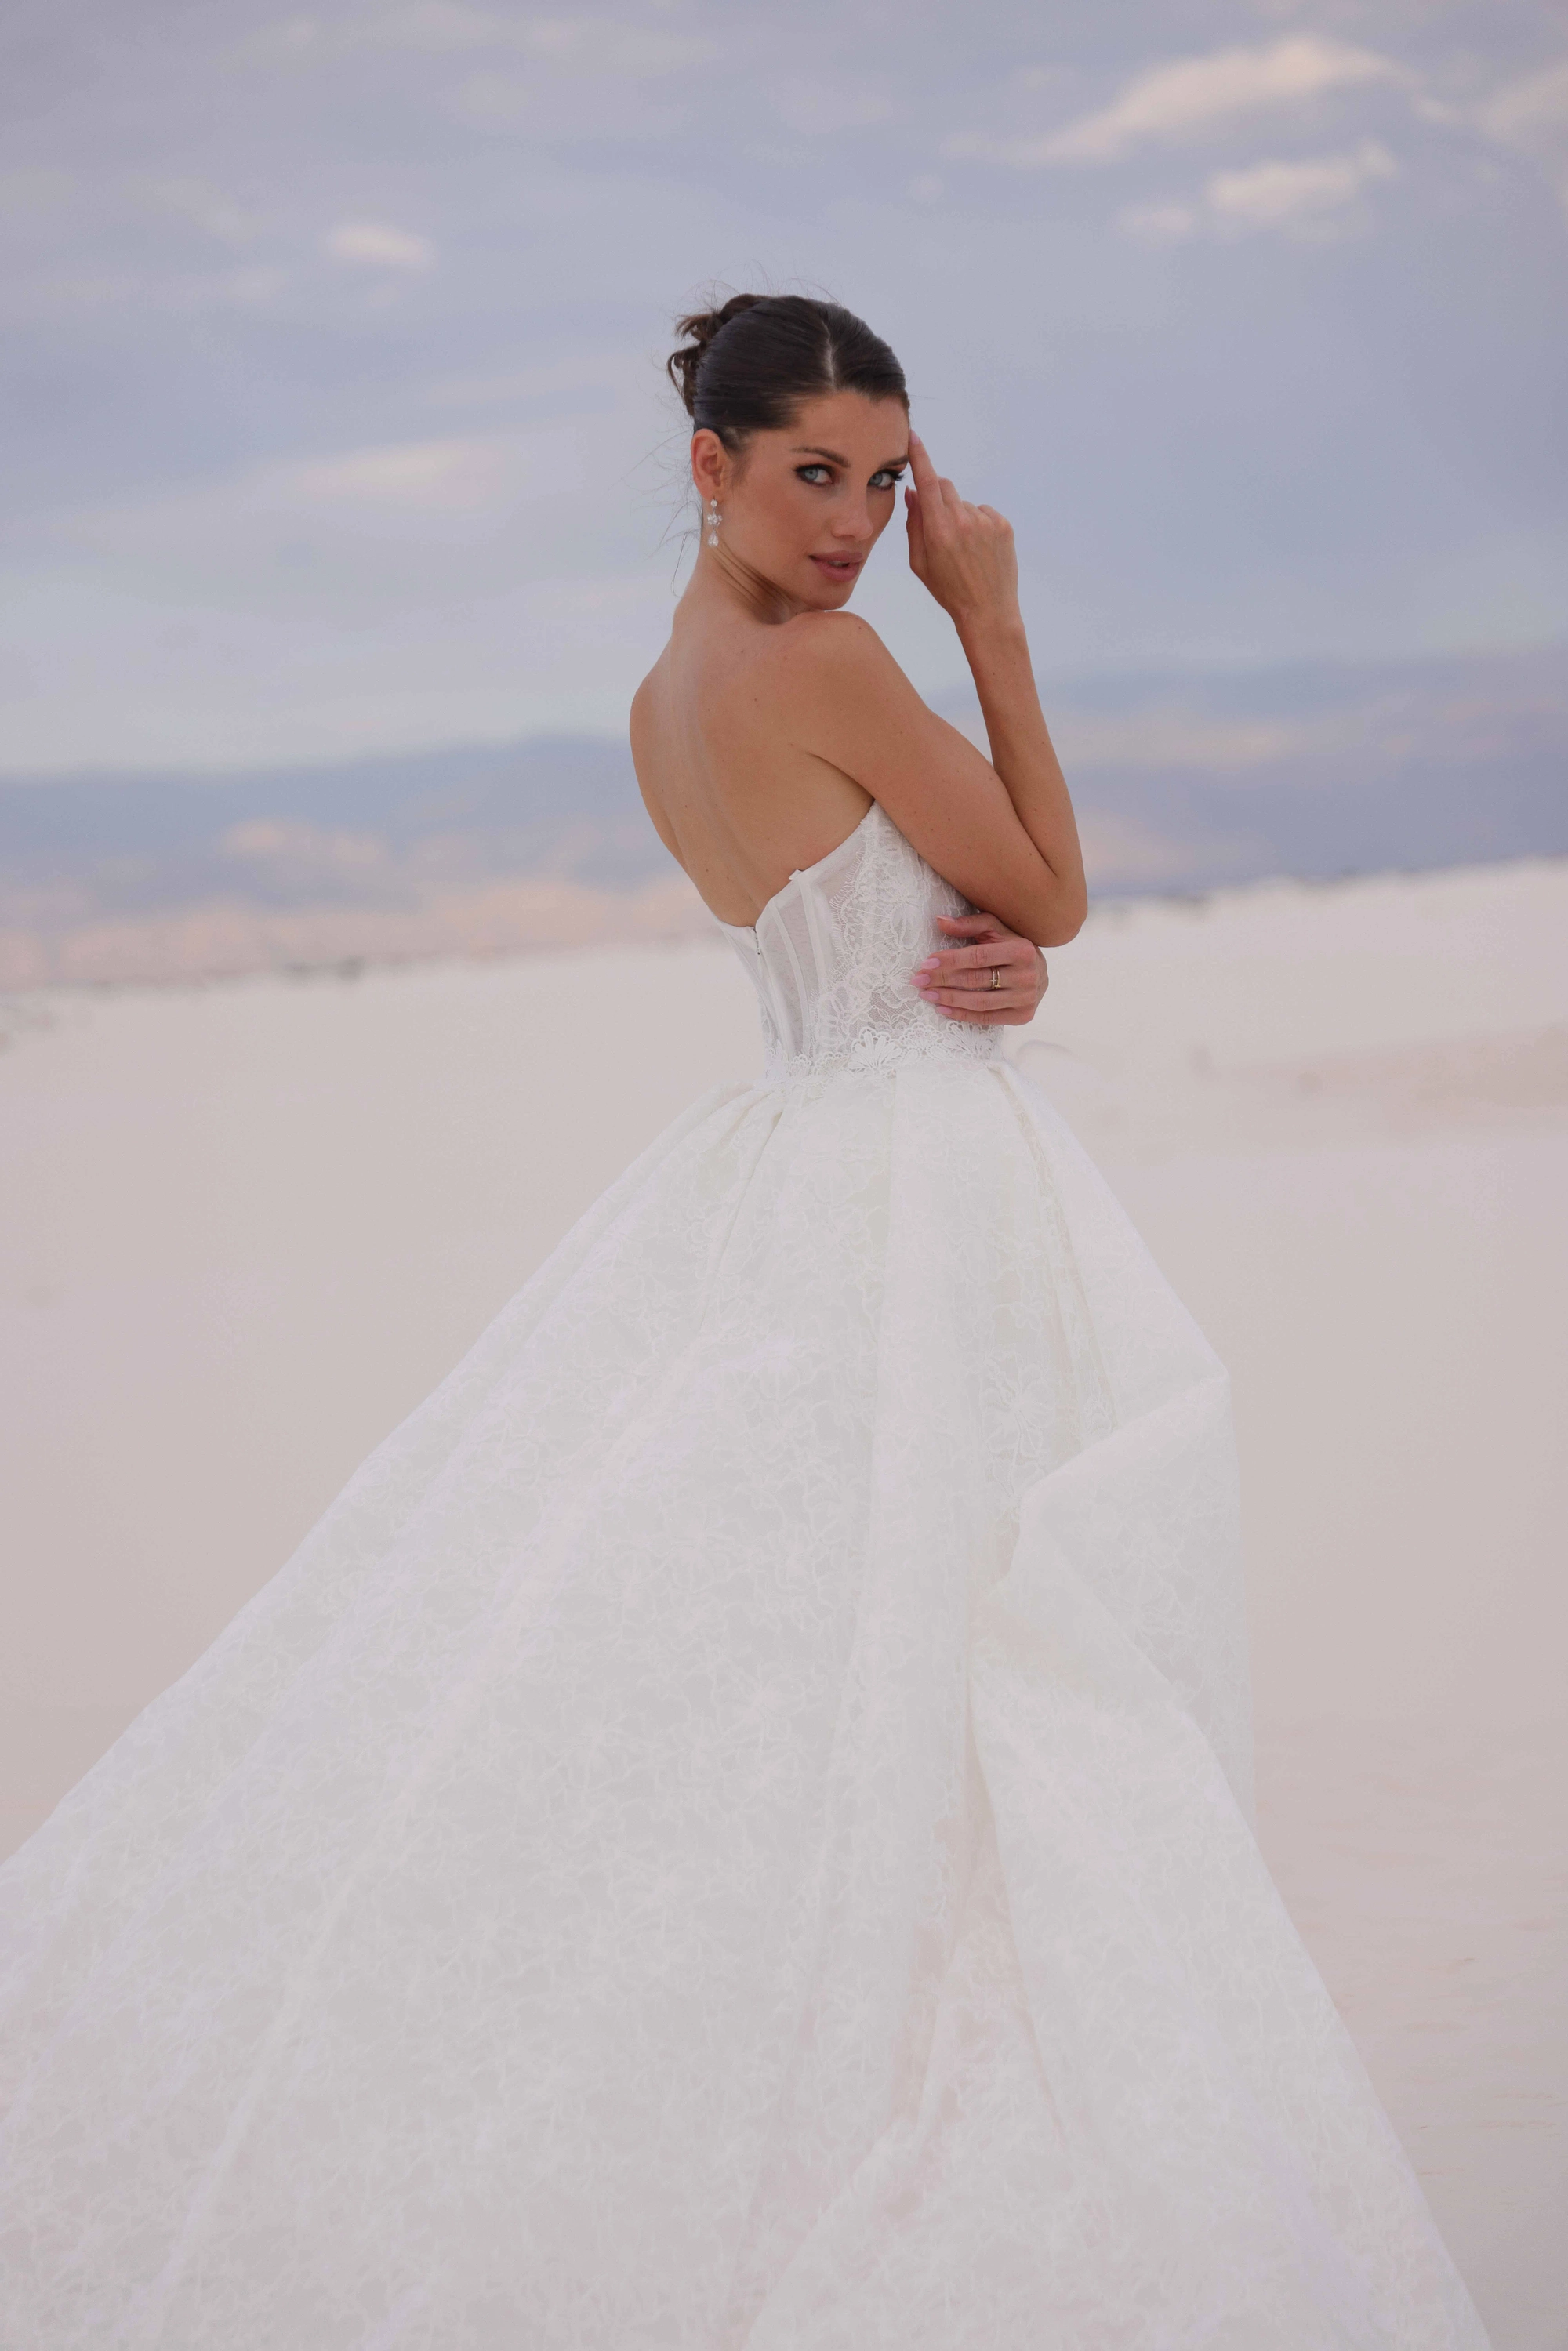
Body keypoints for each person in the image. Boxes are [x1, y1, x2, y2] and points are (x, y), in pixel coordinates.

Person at [0, 293, 1488, 2349]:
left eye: (885, 483)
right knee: (978, 1676)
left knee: (862, 1680)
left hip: (794, 1156)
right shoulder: (837, 662)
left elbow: (877, 922)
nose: (859, 524)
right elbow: (1050, 889)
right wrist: (994, 623)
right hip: (910, 1188)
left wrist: (974, 950)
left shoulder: (659, 701)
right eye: (814, 476)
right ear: (709, 465)